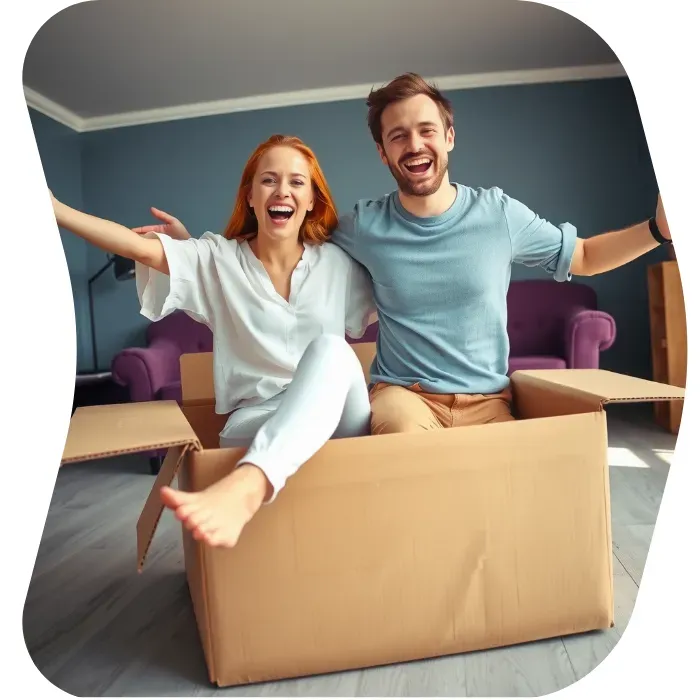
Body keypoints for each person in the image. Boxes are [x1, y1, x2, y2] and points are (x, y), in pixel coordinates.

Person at [136, 72, 674, 437]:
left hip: (491, 400)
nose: (413, 145)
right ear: (383, 151)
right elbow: (281, 230)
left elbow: (582, 255)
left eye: (425, 131)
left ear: (449, 137)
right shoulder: (364, 225)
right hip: (404, 398)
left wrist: (657, 230)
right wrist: (187, 252)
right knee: (407, 465)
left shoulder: (498, 215)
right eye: (398, 136)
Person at [51, 134, 376, 549]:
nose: (282, 191)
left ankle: (250, 483)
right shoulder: (217, 258)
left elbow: (402, 299)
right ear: (251, 197)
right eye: (269, 180)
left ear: (312, 199)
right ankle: (251, 479)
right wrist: (56, 210)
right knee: (327, 355)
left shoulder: (338, 263)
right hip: (253, 422)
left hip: (336, 422)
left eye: (297, 182)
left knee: (332, 351)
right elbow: (139, 248)